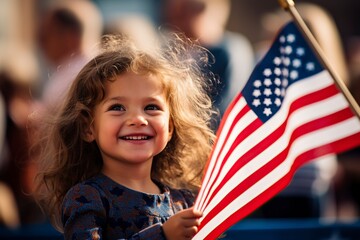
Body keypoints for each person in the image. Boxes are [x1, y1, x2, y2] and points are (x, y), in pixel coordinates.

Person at [33, 33, 216, 239]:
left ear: (171, 127)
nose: (138, 119)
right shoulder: (87, 198)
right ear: (88, 127)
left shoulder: (183, 201)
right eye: (118, 107)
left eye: (151, 107)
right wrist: (162, 235)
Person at [161, 0, 255, 130]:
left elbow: (227, 103)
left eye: (182, 14)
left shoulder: (230, 50)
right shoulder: (171, 50)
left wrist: (187, 125)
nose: (172, 23)